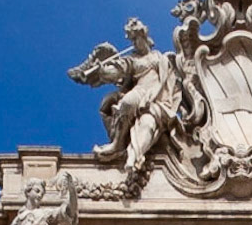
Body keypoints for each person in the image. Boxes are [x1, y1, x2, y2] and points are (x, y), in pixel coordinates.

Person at [69, 19, 180, 173]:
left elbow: (172, 79)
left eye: (136, 39)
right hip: (140, 91)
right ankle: (117, 143)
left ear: (144, 37)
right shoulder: (132, 59)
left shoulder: (160, 57)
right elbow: (118, 71)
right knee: (127, 102)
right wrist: (102, 70)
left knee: (147, 123)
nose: (135, 43)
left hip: (157, 95)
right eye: (132, 40)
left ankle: (134, 158)